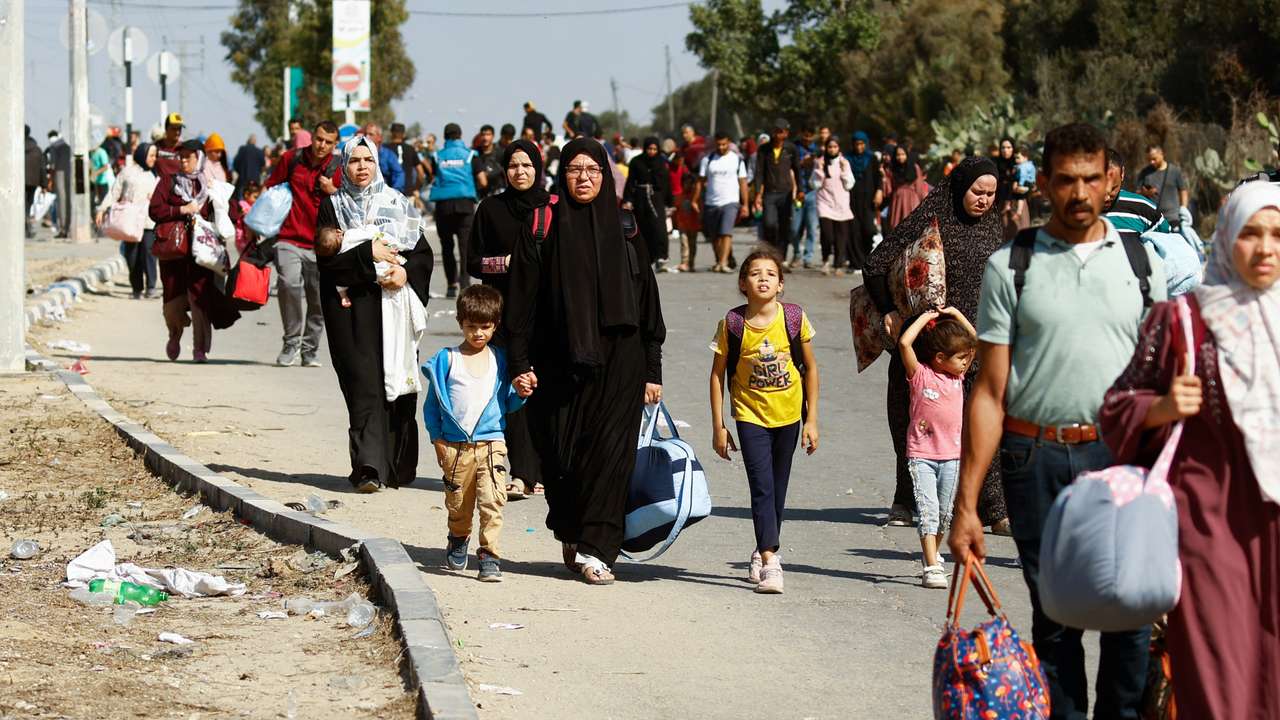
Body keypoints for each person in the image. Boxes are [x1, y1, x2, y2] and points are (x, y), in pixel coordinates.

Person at [949, 123, 1168, 720]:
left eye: (1091, 179)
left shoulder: (1144, 264)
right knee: (1054, 625)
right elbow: (990, 394)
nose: (1079, 192)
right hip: (1036, 461)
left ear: (1110, 181)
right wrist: (967, 504)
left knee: (1131, 624)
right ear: (1042, 184)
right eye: (1066, 180)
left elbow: (1162, 382)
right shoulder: (1011, 266)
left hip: (1124, 460)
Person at [1099, 180, 1280, 720]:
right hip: (1208, 529)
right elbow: (1116, 407)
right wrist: (1161, 408)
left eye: (1277, 235)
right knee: (1218, 679)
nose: (1265, 248)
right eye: (1251, 234)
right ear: (1225, 238)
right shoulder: (1184, 321)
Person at [504, 138, 666, 585]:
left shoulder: (627, 227)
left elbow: (648, 303)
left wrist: (652, 369)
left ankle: (599, 548)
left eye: (593, 170)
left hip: (622, 361)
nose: (584, 178)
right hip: (557, 363)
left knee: (611, 456)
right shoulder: (543, 226)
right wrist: (519, 363)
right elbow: (520, 303)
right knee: (562, 457)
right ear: (562, 174)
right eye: (575, 169)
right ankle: (573, 529)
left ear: (606, 175)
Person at [864, 157, 1008, 532]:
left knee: (983, 421)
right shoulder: (930, 219)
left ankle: (993, 508)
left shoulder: (996, 228)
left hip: (974, 343)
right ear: (960, 187)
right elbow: (876, 262)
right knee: (915, 422)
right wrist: (888, 311)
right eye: (978, 191)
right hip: (926, 346)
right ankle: (906, 499)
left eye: (991, 193)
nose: (984, 200)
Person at [315, 135, 435, 493]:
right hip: (352, 309)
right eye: (354, 161)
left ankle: (396, 465)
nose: (362, 167)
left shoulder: (397, 202)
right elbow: (328, 260)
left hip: (395, 305)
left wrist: (405, 272)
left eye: (368, 160)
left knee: (397, 383)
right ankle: (367, 467)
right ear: (344, 166)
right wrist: (368, 253)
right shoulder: (332, 207)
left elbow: (422, 252)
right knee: (362, 383)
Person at [709, 249, 819, 595]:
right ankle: (772, 562)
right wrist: (719, 426)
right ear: (743, 283)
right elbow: (716, 375)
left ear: (781, 284)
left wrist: (812, 420)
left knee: (778, 489)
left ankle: (761, 548)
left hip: (788, 416)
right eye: (755, 273)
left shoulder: (794, 318)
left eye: (770, 274)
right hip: (749, 415)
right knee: (761, 486)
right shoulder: (733, 323)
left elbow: (811, 369)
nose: (763, 279)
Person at [423, 285, 532, 582]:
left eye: (485, 327)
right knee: (458, 504)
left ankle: (489, 555)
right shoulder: (447, 360)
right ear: (460, 323)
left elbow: (507, 404)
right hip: (456, 448)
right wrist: (438, 440)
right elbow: (432, 406)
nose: (478, 334)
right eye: (471, 327)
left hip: (492, 443)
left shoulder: (500, 360)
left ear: (495, 325)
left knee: (493, 500)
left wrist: (520, 394)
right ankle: (459, 537)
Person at [466, 138, 550, 499]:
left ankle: (545, 469)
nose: (520, 172)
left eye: (527, 165)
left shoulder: (553, 207)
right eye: (514, 166)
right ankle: (521, 472)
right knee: (513, 392)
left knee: (545, 393)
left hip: (546, 314)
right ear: (504, 170)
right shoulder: (490, 209)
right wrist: (504, 264)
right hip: (502, 314)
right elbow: (473, 261)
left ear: (538, 168)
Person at [896, 307, 976, 589]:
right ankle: (931, 565)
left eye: (967, 358)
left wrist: (954, 314)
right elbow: (905, 343)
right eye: (960, 358)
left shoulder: (958, 378)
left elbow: (975, 341)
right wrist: (925, 318)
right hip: (922, 456)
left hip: (952, 457)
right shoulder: (920, 375)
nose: (966, 362)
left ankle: (933, 553)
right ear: (940, 358)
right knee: (929, 511)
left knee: (944, 514)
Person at [148, 140, 242, 363]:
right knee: (172, 300)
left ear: (199, 158)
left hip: (202, 254)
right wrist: (181, 209)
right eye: (181, 157)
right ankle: (175, 334)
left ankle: (200, 348)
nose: (183, 161)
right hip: (174, 252)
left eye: (188, 157)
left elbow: (233, 212)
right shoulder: (168, 182)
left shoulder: (209, 185)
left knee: (200, 299)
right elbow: (155, 210)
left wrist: (218, 195)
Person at [264, 120, 343, 367]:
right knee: (288, 284)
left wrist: (333, 190)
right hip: (289, 237)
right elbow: (271, 187)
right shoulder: (292, 159)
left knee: (318, 298)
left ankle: (310, 349)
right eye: (319, 139)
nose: (322, 145)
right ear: (312, 137)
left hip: (322, 245)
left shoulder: (339, 167)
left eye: (328, 142)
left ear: (334, 144)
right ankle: (290, 342)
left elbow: (351, 203)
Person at [96, 142, 160, 299]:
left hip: (148, 222)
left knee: (149, 255)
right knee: (132, 256)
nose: (154, 158)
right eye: (151, 155)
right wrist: (102, 209)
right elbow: (114, 192)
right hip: (130, 221)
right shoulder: (127, 172)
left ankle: (151, 287)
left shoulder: (156, 174)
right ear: (142, 155)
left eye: (155, 155)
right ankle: (136, 288)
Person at [430, 123, 481, 298]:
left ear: (444, 137)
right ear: (460, 136)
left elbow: (431, 176)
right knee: (465, 246)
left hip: (443, 205)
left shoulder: (437, 156)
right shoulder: (470, 155)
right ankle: (465, 284)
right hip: (465, 204)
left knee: (447, 246)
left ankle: (451, 284)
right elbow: (482, 180)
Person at [695, 132, 749, 274]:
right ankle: (719, 260)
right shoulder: (708, 159)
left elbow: (743, 182)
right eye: (718, 144)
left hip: (730, 201)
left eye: (724, 144)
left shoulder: (737, 160)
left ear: (729, 143)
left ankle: (723, 263)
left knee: (726, 233)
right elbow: (700, 182)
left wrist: (745, 204)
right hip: (711, 203)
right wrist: (695, 200)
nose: (721, 147)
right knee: (714, 236)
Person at [624, 138, 674, 272]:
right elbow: (630, 181)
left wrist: (670, 203)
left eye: (654, 149)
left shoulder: (661, 163)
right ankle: (647, 257)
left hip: (656, 198)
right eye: (649, 149)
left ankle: (661, 256)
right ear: (645, 149)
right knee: (643, 227)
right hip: (640, 198)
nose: (652, 152)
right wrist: (628, 199)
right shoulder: (636, 162)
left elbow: (667, 183)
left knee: (659, 228)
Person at [753, 119, 802, 255]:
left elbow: (797, 171)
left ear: (786, 133)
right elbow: (759, 173)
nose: (777, 135)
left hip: (786, 193)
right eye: (775, 131)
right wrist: (757, 194)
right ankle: (771, 252)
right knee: (769, 224)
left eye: (780, 132)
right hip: (769, 194)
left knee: (785, 226)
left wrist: (800, 191)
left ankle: (782, 256)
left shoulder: (791, 149)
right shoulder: (764, 150)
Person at [811, 136, 855, 275]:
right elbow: (814, 184)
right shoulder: (820, 162)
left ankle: (837, 265)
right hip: (825, 203)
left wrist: (843, 172)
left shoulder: (844, 163)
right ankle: (825, 261)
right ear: (826, 148)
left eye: (835, 147)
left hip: (841, 204)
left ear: (839, 148)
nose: (832, 149)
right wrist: (819, 170)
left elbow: (849, 185)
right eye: (830, 147)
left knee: (840, 237)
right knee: (827, 235)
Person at [846, 131, 883, 271]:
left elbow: (878, 177)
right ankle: (855, 262)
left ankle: (866, 258)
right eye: (856, 144)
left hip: (868, 200)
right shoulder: (847, 158)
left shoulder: (872, 158)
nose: (859, 146)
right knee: (854, 231)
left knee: (868, 230)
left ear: (865, 144)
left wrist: (879, 191)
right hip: (851, 200)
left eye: (861, 143)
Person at [1136, 144, 1189, 228]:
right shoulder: (1145, 173)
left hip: (1173, 218)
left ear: (1162, 154)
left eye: (1154, 159)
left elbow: (1183, 191)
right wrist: (1146, 193)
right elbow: (1137, 193)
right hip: (1153, 219)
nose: (1151, 162)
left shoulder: (1174, 171)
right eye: (1149, 159)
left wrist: (1183, 208)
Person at [790, 127, 820, 268]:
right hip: (797, 193)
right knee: (795, 228)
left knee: (811, 228)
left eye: (810, 136)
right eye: (805, 135)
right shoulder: (794, 149)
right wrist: (802, 162)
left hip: (812, 193)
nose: (808, 139)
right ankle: (796, 253)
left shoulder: (818, 151)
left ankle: (808, 258)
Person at [885, 146, 923, 232]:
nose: (900, 157)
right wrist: (884, 176)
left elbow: (920, 188)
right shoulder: (891, 169)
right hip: (897, 202)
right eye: (898, 155)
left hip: (912, 201)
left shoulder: (914, 168)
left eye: (903, 154)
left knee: (912, 228)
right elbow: (888, 190)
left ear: (907, 155)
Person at [360, 124, 404, 193]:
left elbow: (398, 174)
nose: (366, 136)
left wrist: (394, 193)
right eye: (365, 134)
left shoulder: (388, 155)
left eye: (371, 134)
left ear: (379, 137)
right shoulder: (359, 153)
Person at [673, 171, 701, 272]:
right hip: (682, 225)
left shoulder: (696, 197)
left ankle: (691, 263)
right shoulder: (679, 196)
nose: (688, 185)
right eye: (686, 183)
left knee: (692, 244)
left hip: (694, 225)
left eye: (690, 183)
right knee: (684, 244)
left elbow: (699, 211)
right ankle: (684, 262)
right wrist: (674, 223)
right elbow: (676, 210)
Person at [387, 123, 422, 199]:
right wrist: (416, 188)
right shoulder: (410, 149)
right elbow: (420, 172)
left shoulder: (385, 149)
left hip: (389, 193)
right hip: (408, 192)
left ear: (391, 133)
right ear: (403, 134)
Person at [473, 124, 505, 200]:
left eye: (488, 134)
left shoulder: (500, 153)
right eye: (483, 135)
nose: (485, 138)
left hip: (498, 193)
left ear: (493, 136)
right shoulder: (474, 154)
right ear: (480, 136)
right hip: (480, 195)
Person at [232, 133, 266, 200]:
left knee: (241, 203)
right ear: (255, 142)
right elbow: (263, 166)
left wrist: (240, 171)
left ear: (248, 141)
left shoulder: (242, 149)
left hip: (243, 180)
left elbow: (235, 163)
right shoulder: (260, 152)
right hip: (255, 182)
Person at [153, 113, 185, 178]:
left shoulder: (185, 148)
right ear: (166, 129)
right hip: (159, 186)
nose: (177, 132)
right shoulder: (155, 147)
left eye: (179, 129)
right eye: (174, 129)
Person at [24, 125, 42, 238]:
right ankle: (27, 228)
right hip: (33, 182)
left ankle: (25, 228)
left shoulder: (14, 146)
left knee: (21, 205)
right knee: (28, 205)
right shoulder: (37, 149)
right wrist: (44, 184)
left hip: (19, 182)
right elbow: (42, 168)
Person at [89, 137, 116, 211]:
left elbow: (105, 166)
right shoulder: (91, 153)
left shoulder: (101, 152)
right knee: (95, 201)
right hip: (94, 182)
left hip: (103, 181)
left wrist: (96, 173)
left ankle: (105, 217)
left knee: (104, 202)